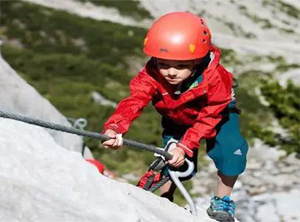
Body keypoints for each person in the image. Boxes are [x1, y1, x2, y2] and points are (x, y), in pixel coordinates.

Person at [101, 12, 248, 222]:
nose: (170, 72)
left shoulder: (216, 77)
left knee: (232, 151)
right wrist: (115, 128)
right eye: (163, 64)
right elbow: (135, 100)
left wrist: (186, 145)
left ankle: (222, 201)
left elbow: (211, 114)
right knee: (173, 160)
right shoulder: (151, 73)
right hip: (177, 116)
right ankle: (165, 198)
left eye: (180, 66)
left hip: (217, 115)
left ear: (196, 61)